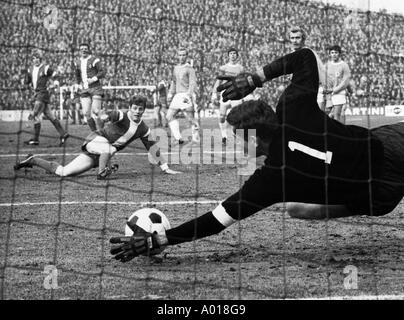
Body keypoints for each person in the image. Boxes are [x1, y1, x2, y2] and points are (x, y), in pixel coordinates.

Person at [109, 48, 404, 261]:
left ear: (255, 139)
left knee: (295, 208)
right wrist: (254, 79)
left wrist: (159, 239)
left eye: (242, 141)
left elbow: (215, 220)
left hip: (378, 197)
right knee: (299, 204)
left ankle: (355, 201)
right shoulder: (292, 107)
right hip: (389, 145)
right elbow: (305, 57)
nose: (241, 148)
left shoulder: (270, 180)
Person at [14, 96, 180, 180]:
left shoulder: (143, 128)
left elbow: (152, 147)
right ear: (130, 107)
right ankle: (103, 172)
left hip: (99, 154)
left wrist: (165, 167)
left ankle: (33, 160)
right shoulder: (122, 115)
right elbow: (112, 114)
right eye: (135, 108)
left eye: (140, 109)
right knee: (111, 148)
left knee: (64, 172)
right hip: (95, 141)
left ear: (144, 110)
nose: (137, 111)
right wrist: (104, 115)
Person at [23, 51, 69, 146]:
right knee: (50, 116)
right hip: (37, 93)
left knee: (35, 114)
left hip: (43, 93)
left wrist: (55, 84)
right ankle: (63, 134)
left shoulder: (45, 68)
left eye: (37, 58)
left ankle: (35, 139)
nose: (35, 60)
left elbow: (56, 75)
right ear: (32, 60)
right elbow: (27, 81)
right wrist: (26, 79)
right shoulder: (30, 69)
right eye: (34, 58)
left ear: (40, 59)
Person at [211, 47, 251, 145]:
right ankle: (224, 136)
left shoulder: (241, 68)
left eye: (234, 53)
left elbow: (243, 81)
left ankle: (237, 134)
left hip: (236, 94)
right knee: (222, 116)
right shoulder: (223, 68)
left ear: (237, 56)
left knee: (238, 116)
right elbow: (219, 80)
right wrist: (214, 93)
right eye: (231, 53)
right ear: (228, 55)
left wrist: (245, 93)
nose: (232, 55)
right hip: (225, 93)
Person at [166, 48, 200, 145]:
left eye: (184, 55)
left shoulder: (189, 68)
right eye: (180, 55)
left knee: (190, 119)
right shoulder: (176, 68)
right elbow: (174, 81)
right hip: (177, 95)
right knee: (169, 116)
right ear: (177, 56)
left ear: (187, 56)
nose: (181, 57)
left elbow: (192, 83)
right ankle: (178, 138)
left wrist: (188, 95)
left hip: (185, 94)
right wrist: (170, 93)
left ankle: (196, 139)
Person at [74, 42, 106, 132]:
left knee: (96, 111)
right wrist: (77, 84)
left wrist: (94, 78)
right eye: (82, 49)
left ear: (88, 50)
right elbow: (77, 75)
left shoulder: (94, 60)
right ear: (79, 51)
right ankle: (95, 133)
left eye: (85, 48)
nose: (83, 50)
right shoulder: (77, 62)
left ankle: (102, 132)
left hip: (95, 88)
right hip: (84, 89)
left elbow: (102, 71)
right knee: (86, 113)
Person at [318, 45, 351, 123]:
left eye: (336, 52)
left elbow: (345, 81)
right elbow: (322, 77)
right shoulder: (326, 65)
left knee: (337, 114)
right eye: (332, 53)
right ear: (329, 54)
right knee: (325, 114)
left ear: (339, 54)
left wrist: (334, 90)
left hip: (338, 92)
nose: (334, 54)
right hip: (327, 93)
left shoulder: (344, 65)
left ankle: (338, 133)